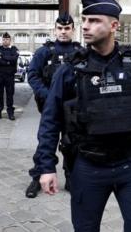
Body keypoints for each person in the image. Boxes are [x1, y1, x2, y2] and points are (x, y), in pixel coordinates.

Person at [36, 0, 131, 231]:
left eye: (94, 20)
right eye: (84, 20)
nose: (85, 26)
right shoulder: (70, 71)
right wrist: (46, 167)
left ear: (114, 25)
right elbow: (50, 122)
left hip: (130, 165)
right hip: (87, 166)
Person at [25, 12, 83, 198]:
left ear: (73, 30)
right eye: (60, 28)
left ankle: (71, 177)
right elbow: (32, 75)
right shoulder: (44, 51)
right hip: (50, 106)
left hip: (72, 108)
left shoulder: (79, 52)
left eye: (67, 28)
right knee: (45, 141)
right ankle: (37, 177)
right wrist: (48, 96)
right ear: (54, 29)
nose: (63, 32)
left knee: (71, 142)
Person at [0, 32, 19, 120]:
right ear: (1, 40)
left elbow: (14, 59)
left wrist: (2, 56)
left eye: (7, 39)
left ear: (10, 40)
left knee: (10, 94)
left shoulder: (14, 49)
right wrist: (8, 61)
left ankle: (10, 113)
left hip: (9, 75)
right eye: (3, 39)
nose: (5, 41)